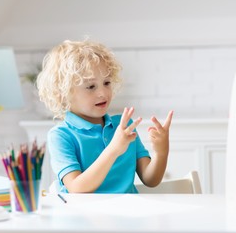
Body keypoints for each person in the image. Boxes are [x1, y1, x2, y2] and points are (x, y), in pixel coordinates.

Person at [36, 39, 173, 193]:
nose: (103, 93)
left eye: (107, 83)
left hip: (127, 214)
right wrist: (113, 149)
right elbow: (76, 188)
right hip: (83, 215)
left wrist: (161, 152)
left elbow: (151, 179)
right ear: (63, 94)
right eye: (91, 86)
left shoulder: (124, 126)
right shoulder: (61, 136)